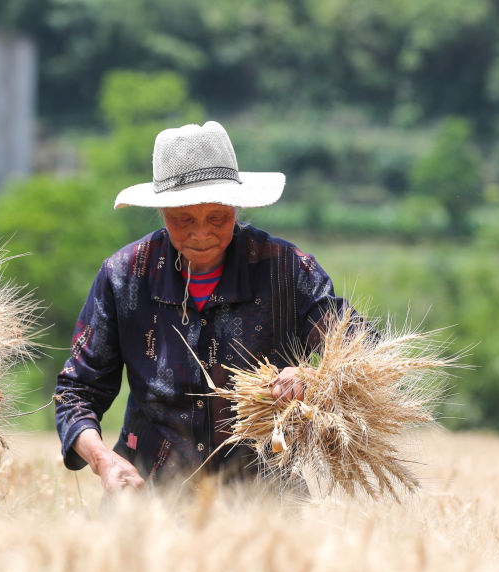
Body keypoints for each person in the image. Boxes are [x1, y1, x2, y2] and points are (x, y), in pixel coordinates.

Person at [54, 121, 348, 492]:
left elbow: (357, 347)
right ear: (162, 211)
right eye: (183, 220)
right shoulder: (124, 276)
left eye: (217, 218)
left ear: (236, 207)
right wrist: (103, 460)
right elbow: (76, 393)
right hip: (148, 492)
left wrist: (312, 376)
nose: (202, 233)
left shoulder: (287, 270)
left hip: (265, 499)